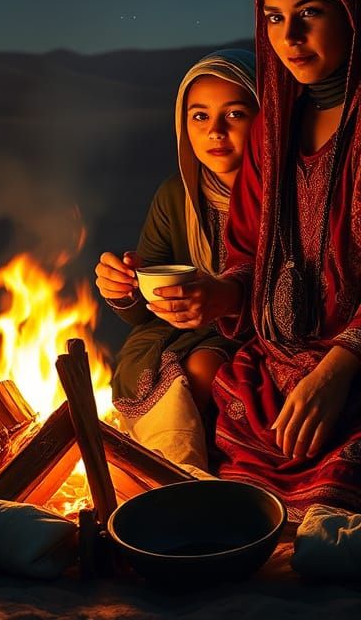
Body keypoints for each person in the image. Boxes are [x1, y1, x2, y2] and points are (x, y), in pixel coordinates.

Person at [157, 0, 361, 518]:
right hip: (279, 365)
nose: (289, 37)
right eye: (273, 18)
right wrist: (219, 293)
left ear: (353, 10)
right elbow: (247, 252)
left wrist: (339, 369)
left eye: (310, 13)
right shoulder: (275, 126)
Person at [95, 49, 258, 471]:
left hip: (258, 327)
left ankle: (183, 478)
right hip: (182, 330)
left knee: (204, 368)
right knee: (149, 362)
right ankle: (160, 475)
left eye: (235, 115)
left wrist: (225, 300)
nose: (215, 131)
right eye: (200, 116)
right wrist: (125, 287)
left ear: (266, 119)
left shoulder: (286, 196)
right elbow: (144, 307)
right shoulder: (176, 194)